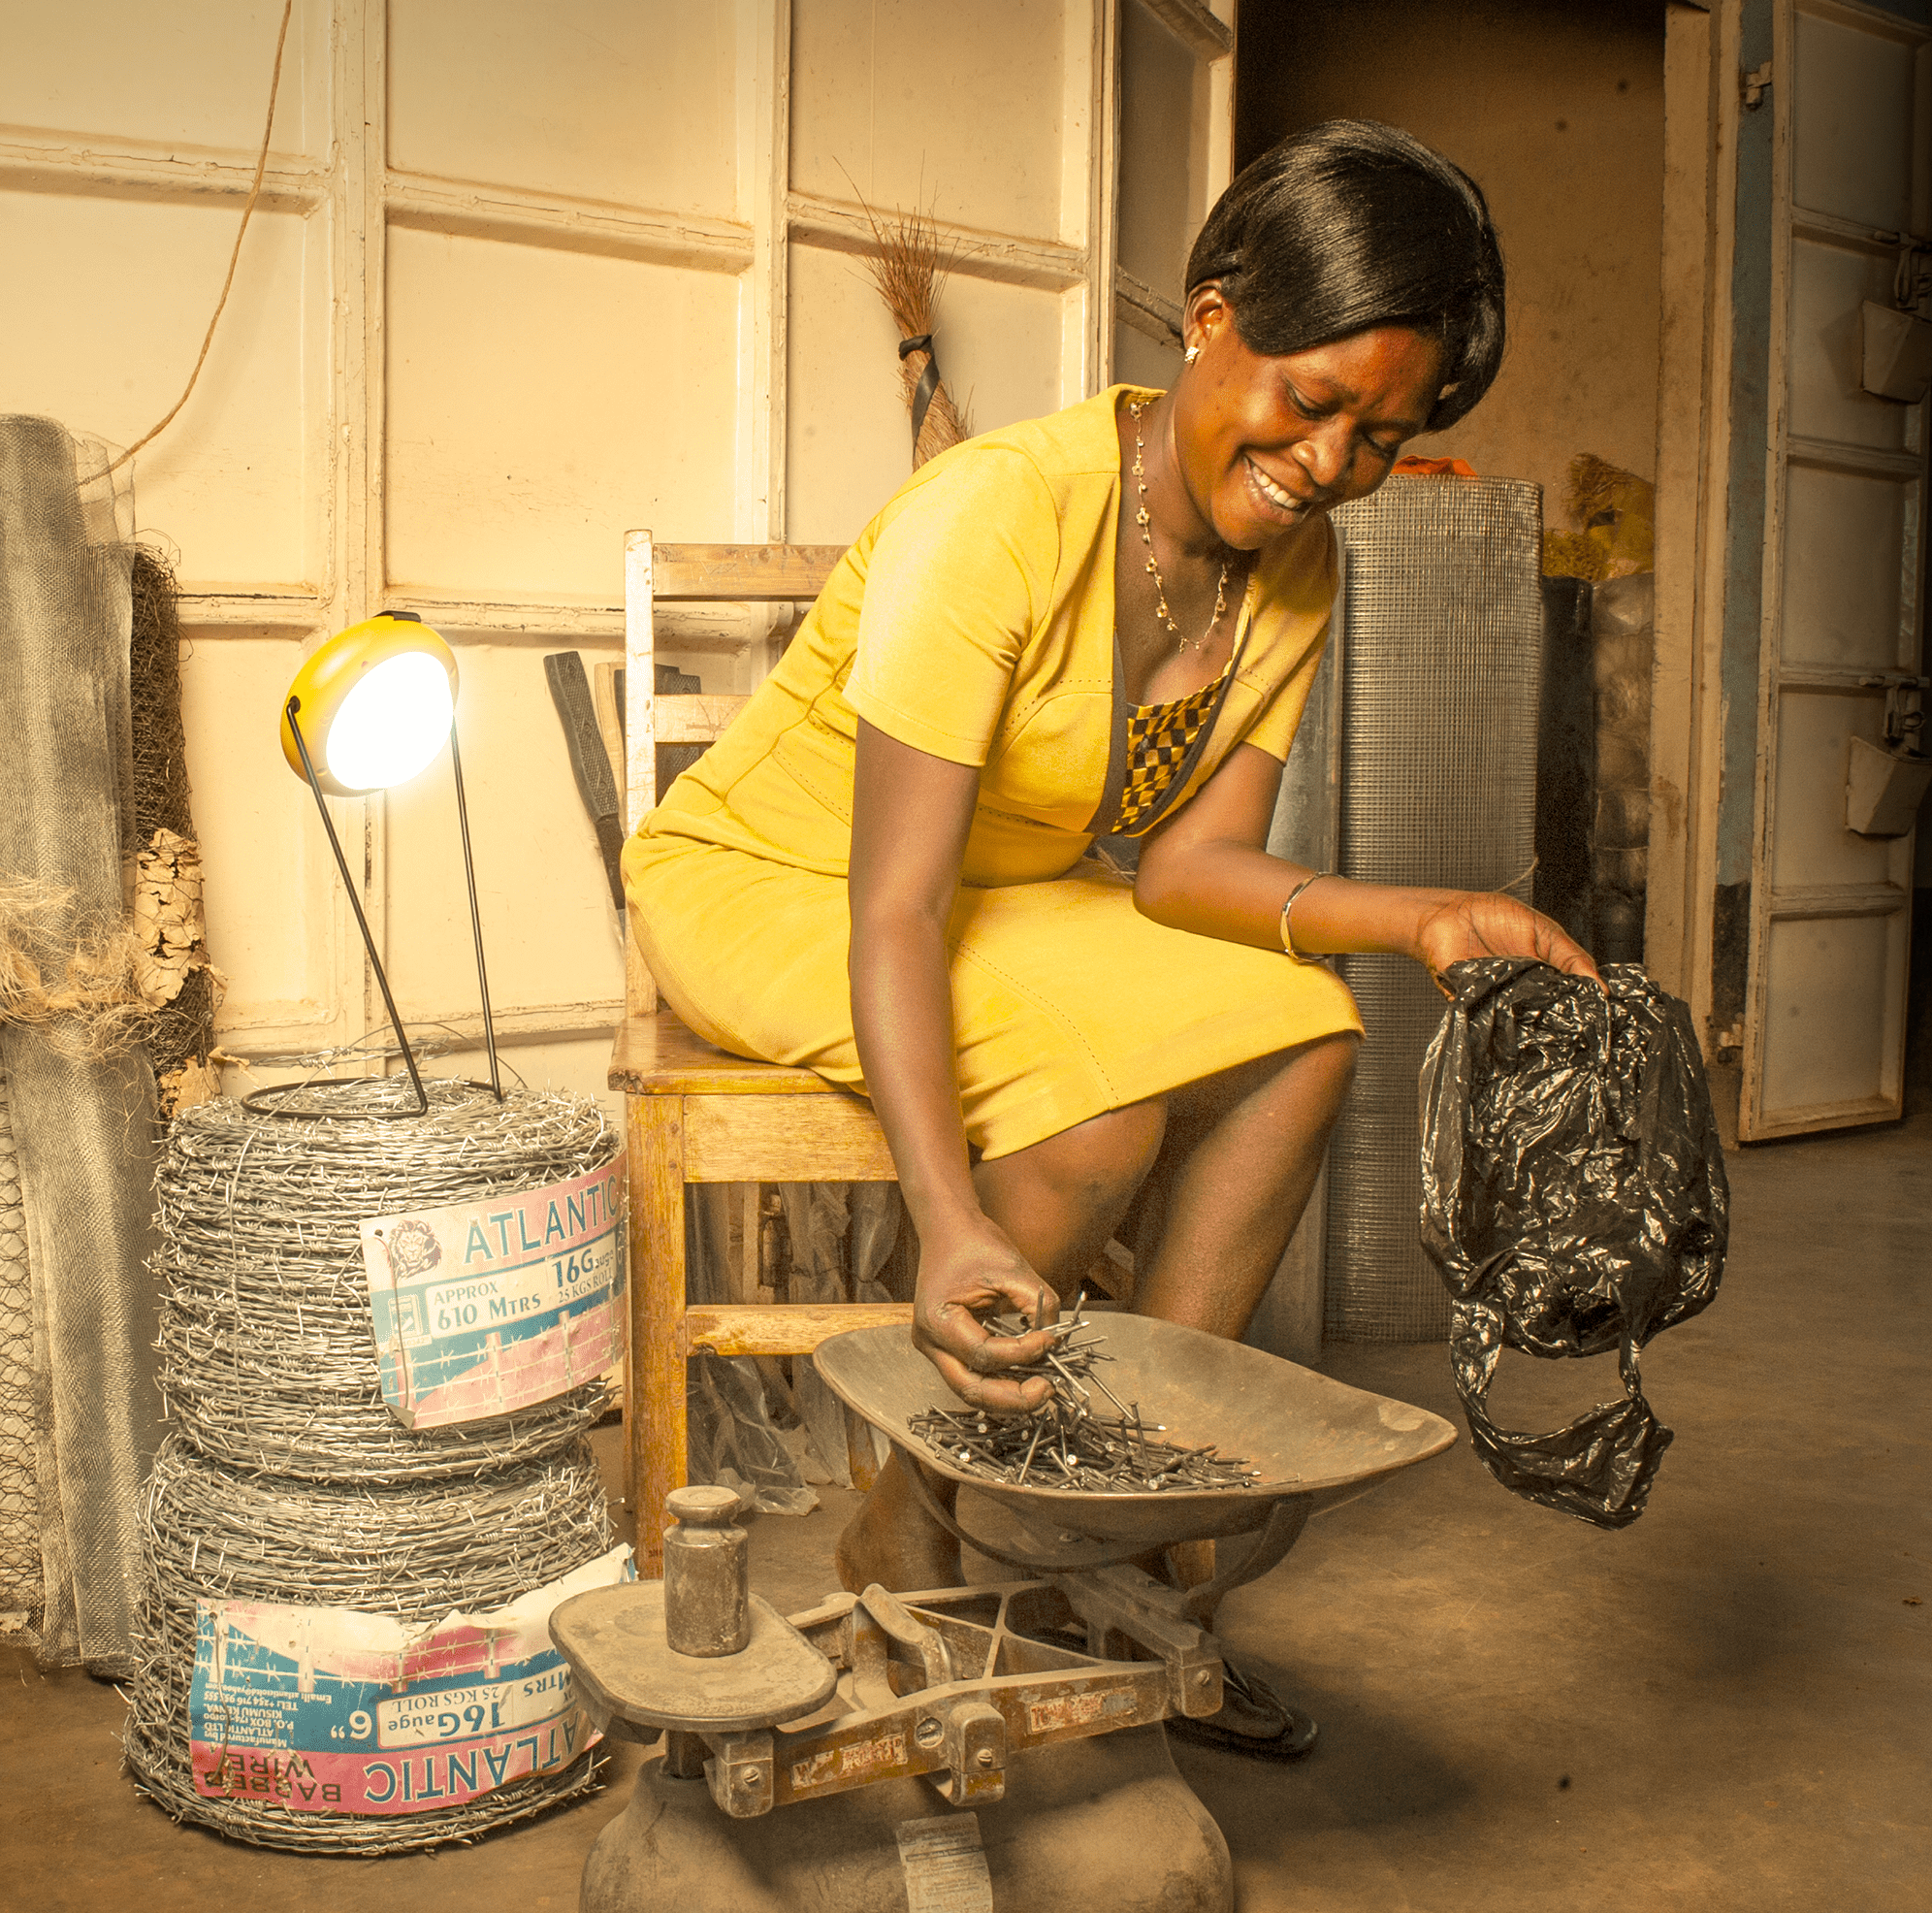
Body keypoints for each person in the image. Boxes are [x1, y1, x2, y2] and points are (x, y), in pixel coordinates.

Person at [621, 120, 1598, 1753]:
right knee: (1102, 1111)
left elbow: (1193, 871)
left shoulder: (1298, 574)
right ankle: (922, 1525)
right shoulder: (995, 514)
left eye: (1380, 435)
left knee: (1303, 1034)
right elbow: (896, 903)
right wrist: (946, 1222)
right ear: (1214, 315)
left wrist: (1428, 917)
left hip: (991, 895)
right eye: (1315, 401)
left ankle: (1110, 1530)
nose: (1329, 464)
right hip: (771, 881)